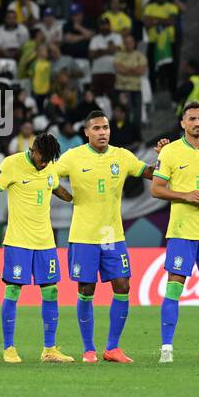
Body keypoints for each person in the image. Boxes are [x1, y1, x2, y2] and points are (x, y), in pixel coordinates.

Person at [54, 112, 167, 362]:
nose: (102, 132)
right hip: (84, 236)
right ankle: (88, 349)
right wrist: (65, 195)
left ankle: (112, 348)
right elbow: (49, 177)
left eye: (105, 127)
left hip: (113, 236)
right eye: (96, 128)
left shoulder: (122, 156)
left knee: (123, 286)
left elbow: (149, 173)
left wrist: (164, 159)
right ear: (86, 132)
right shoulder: (73, 157)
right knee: (86, 289)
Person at [0, 132, 74, 363]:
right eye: (42, 159)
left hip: (45, 242)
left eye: (48, 161)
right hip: (18, 241)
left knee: (51, 291)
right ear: (33, 150)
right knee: (13, 290)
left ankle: (49, 349)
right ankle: (9, 348)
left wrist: (76, 197)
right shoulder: (12, 164)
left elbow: (57, 189)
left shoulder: (48, 167)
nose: (43, 164)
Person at [149, 103, 199, 363]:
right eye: (192, 119)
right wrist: (186, 195)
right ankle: (166, 349)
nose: (198, 123)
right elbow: (157, 188)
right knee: (175, 286)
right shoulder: (171, 152)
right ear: (183, 124)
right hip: (181, 231)